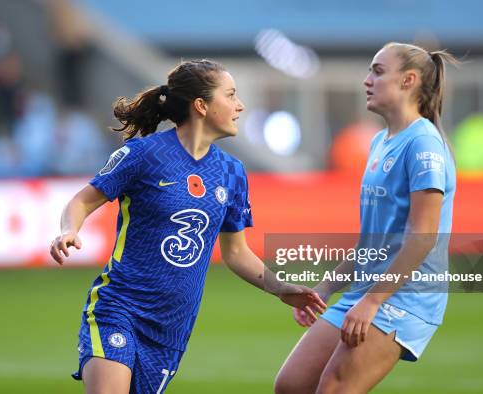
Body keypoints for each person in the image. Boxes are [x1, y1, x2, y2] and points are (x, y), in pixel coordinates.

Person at [49, 59, 327, 394]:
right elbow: (82, 201)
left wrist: (282, 288)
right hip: (118, 309)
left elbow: (237, 253)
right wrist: (69, 230)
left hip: (171, 331)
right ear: (201, 106)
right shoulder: (143, 154)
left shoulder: (232, 173)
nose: (240, 105)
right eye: (231, 95)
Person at [274, 42, 458, 394]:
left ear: (408, 80)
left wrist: (373, 301)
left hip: (403, 297)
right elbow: (370, 243)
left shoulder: (423, 144)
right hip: (366, 291)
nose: (366, 80)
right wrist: (324, 289)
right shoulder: (379, 142)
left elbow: (423, 236)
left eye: (377, 71)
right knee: (291, 385)